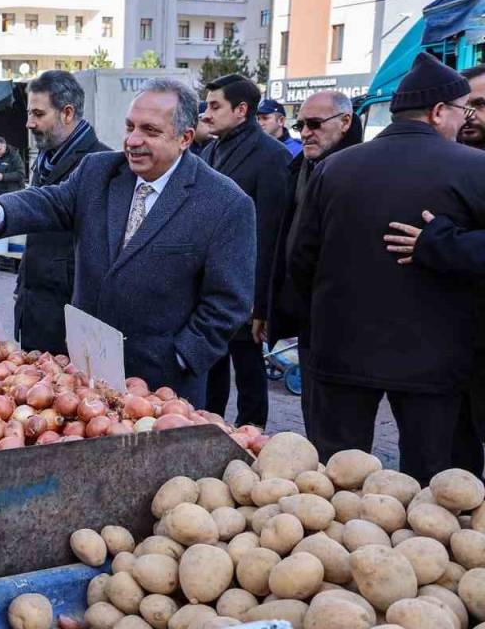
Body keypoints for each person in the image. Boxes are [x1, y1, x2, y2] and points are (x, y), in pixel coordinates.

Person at [0, 78, 256, 405]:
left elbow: (229, 302)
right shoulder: (98, 171)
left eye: (150, 130)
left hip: (162, 390)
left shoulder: (225, 203)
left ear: (185, 138)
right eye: (129, 126)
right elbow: (48, 202)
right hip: (86, 375)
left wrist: (180, 357)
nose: (133, 140)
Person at [289, 52, 485, 484]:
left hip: (340, 351)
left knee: (336, 482)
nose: (463, 121)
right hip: (439, 360)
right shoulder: (476, 169)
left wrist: (318, 320)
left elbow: (301, 257)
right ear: (438, 112)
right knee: (436, 486)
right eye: (461, 111)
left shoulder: (333, 168)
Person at [384, 64, 485, 476]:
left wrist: (442, 245)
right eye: (470, 105)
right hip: (450, 360)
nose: (473, 115)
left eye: (481, 105)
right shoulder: (451, 162)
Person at [266, 90, 362, 438]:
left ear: (346, 122)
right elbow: (281, 243)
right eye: (301, 124)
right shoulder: (300, 167)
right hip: (308, 320)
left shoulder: (358, 169)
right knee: (316, 420)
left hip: (345, 326)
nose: (305, 132)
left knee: (340, 432)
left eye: (315, 124)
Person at [198, 75, 292, 427]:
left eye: (214, 106)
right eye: (206, 105)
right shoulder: (209, 151)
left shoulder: (273, 157)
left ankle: (252, 438)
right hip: (208, 286)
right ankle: (210, 430)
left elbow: (271, 233)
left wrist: (260, 301)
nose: (206, 114)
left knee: (250, 370)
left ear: (241, 110)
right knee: (211, 367)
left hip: (245, 291)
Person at [14, 70, 111, 355]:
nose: (29, 123)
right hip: (35, 315)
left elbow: (99, 255)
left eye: (38, 114)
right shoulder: (44, 162)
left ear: (67, 113)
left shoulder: (100, 165)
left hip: (68, 326)